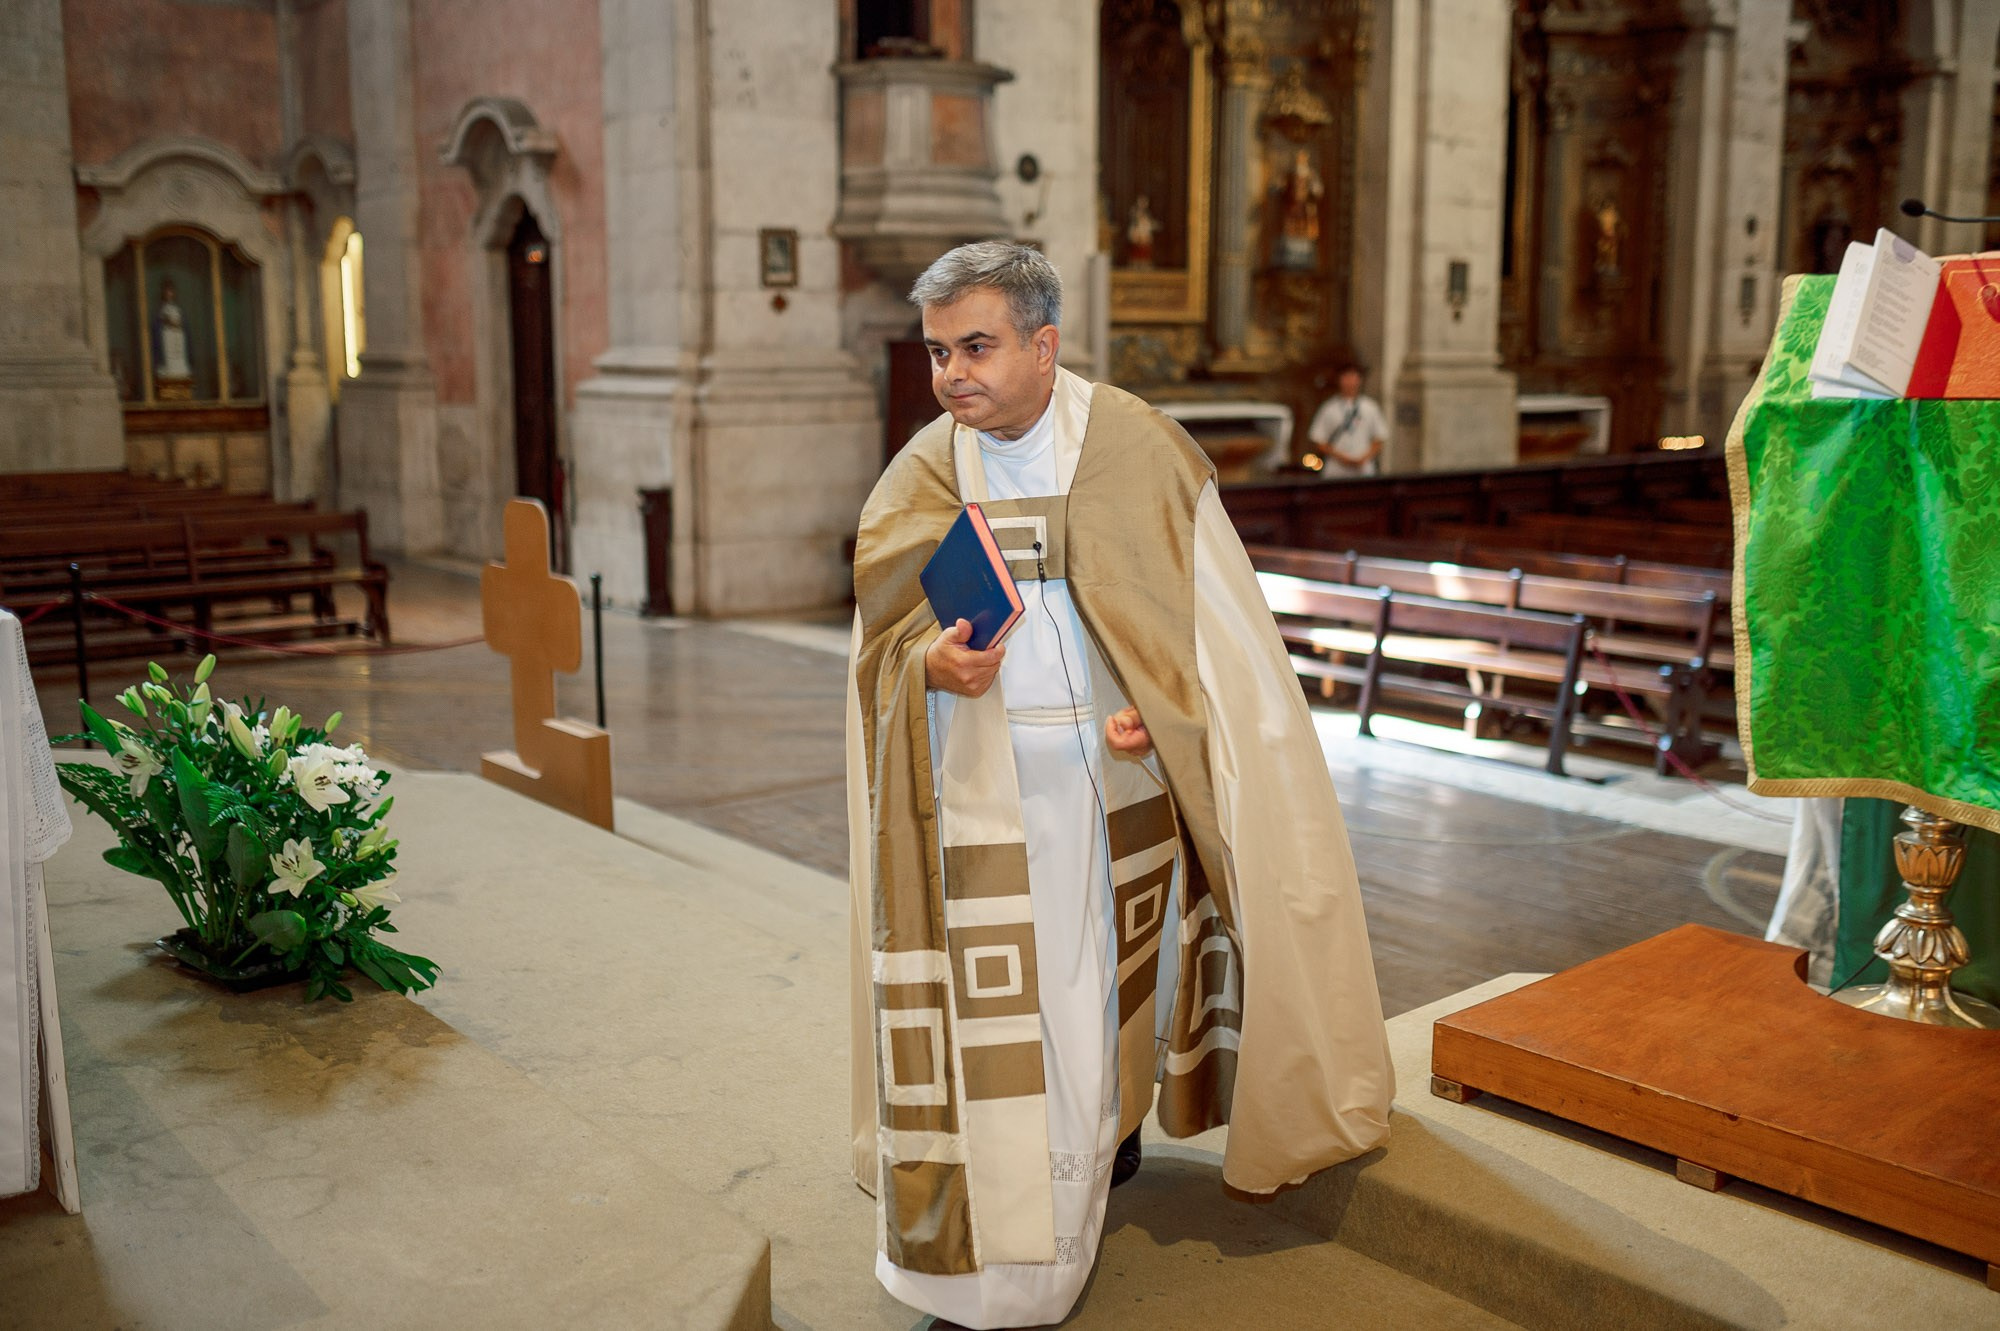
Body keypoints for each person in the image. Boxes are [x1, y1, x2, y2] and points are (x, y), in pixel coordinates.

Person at [846, 240, 1393, 1329]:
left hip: (1112, 794)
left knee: (1092, 1004)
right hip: (978, 796)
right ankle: (992, 1269)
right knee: (1006, 1028)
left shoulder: (1138, 452)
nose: (952, 374)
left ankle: (1082, 1180)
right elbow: (880, 643)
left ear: (1043, 346)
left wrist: (1173, 719)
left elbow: (1218, 646)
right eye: (937, 352)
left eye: (977, 346)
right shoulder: (921, 468)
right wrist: (929, 666)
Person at [1305, 363, 1389, 476]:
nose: (1350, 381)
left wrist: (1363, 458)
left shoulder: (1370, 407)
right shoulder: (1329, 408)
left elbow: (1379, 438)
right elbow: (1319, 439)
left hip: (1363, 468)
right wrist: (1342, 458)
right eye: (1346, 376)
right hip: (1336, 468)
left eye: (1353, 376)